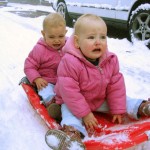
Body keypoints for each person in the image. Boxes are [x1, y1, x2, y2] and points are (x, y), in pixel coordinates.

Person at [45, 14, 150, 150]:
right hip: (72, 102)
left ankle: (143, 107)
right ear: (77, 42)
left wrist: (117, 108)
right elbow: (70, 92)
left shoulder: (110, 60)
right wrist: (85, 114)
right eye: (91, 37)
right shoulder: (69, 62)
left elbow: (115, 86)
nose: (98, 42)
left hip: (98, 99)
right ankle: (72, 136)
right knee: (70, 114)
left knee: (124, 100)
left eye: (102, 37)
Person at [24, 13, 67, 107]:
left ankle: (73, 104)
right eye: (51, 37)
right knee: (45, 90)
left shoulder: (68, 46)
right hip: (47, 81)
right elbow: (29, 66)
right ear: (44, 34)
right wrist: (37, 78)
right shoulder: (39, 49)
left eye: (60, 36)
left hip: (64, 81)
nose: (57, 40)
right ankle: (53, 104)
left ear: (65, 33)